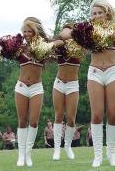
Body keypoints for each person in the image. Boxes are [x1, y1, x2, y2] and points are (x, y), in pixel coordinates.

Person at [15, 17, 63, 167]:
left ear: (35, 32)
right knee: (22, 120)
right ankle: (21, 155)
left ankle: (28, 154)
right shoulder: (19, 48)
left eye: (30, 31)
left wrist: (48, 44)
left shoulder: (43, 47)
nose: (27, 34)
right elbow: (1, 48)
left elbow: (61, 41)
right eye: (25, 31)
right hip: (21, 87)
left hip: (36, 88)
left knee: (34, 121)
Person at [87, 0, 115, 167]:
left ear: (107, 14)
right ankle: (97, 155)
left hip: (113, 71)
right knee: (97, 114)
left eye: (100, 12)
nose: (97, 16)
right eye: (94, 13)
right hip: (95, 72)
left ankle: (111, 153)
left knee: (113, 114)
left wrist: (106, 32)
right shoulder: (87, 30)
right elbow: (67, 35)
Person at [52, 24, 83, 160]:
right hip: (59, 84)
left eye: (69, 31)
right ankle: (57, 149)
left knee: (71, 118)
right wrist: (62, 36)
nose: (66, 33)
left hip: (72, 85)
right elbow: (54, 43)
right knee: (58, 116)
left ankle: (68, 146)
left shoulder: (80, 44)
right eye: (65, 31)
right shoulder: (59, 45)